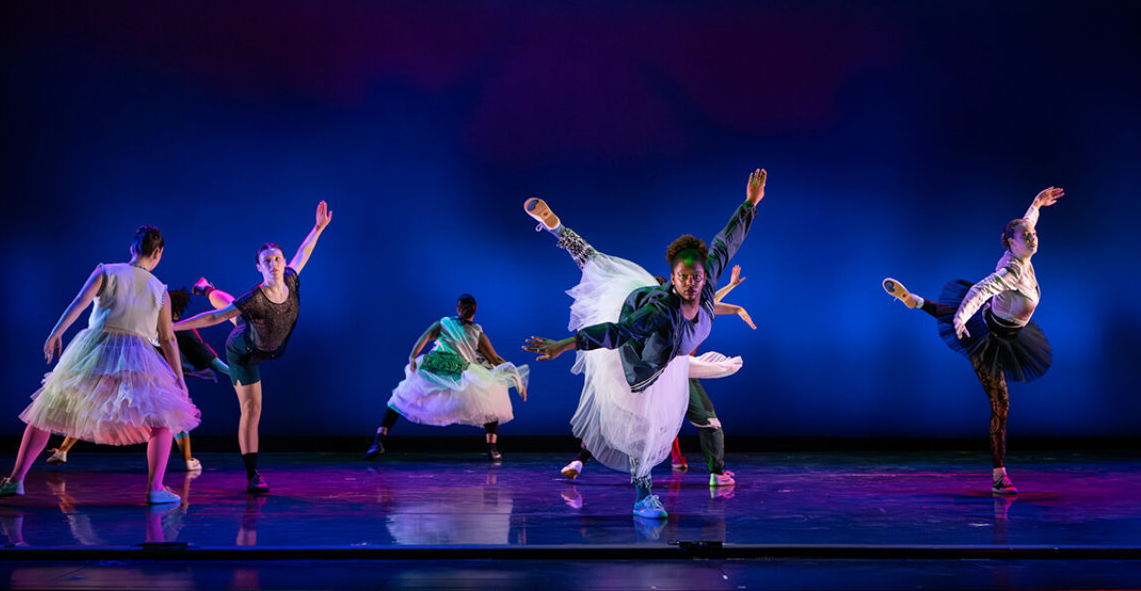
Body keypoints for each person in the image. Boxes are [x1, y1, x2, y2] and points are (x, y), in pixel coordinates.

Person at [523, 169, 766, 520]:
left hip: (669, 360)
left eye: (696, 277)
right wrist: (566, 344)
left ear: (704, 275)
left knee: (601, 267)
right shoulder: (660, 312)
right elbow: (618, 332)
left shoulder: (707, 280)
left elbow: (726, 242)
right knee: (599, 267)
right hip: (637, 359)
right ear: (673, 278)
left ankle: (558, 229)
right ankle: (644, 497)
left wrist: (750, 203)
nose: (692, 284)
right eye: (683, 278)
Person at [0, 226, 200, 504]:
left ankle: (15, 480)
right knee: (161, 418)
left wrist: (57, 331)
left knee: (48, 408)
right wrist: (179, 378)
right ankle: (155, 489)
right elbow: (167, 339)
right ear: (159, 253)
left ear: (132, 248)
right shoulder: (160, 291)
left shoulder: (107, 271)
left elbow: (80, 302)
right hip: (138, 359)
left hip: (96, 351)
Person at [882, 186, 1064, 496]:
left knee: (970, 316)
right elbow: (980, 291)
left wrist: (1037, 204)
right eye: (1026, 236)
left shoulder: (1022, 247)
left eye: (1033, 234)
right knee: (1001, 406)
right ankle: (998, 476)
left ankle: (916, 302)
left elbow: (1027, 221)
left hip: (1006, 327)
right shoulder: (1010, 270)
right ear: (1010, 243)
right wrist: (960, 319)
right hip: (989, 340)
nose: (1033, 238)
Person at [174, 200, 332, 493]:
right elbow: (213, 317)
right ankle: (253, 475)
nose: (273, 264)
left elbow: (304, 252)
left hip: (260, 335)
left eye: (277, 259)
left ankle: (206, 287)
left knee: (235, 312)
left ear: (283, 263)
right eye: (267, 261)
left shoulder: (291, 280)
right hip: (244, 351)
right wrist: (172, 327)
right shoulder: (255, 298)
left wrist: (318, 228)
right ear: (258, 267)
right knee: (252, 409)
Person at [562, 264, 755, 485]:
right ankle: (710, 472)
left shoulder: (669, 307)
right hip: (657, 373)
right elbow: (704, 304)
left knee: (635, 420)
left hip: (673, 371)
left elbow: (706, 303)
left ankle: (580, 461)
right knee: (635, 421)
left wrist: (732, 292)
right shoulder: (657, 312)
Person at [43, 287, 229, 470]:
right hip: (152, 379)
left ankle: (63, 450)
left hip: (128, 374)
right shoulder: (174, 328)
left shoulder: (147, 324)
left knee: (94, 406)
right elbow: (207, 356)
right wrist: (230, 371)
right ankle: (186, 462)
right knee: (172, 414)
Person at [362, 294, 529, 463]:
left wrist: (515, 377)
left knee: (490, 396)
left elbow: (495, 359)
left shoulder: (465, 328)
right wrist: (412, 356)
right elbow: (496, 359)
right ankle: (378, 441)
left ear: (461, 309)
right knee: (400, 397)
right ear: (469, 309)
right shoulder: (455, 326)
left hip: (447, 369)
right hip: (448, 369)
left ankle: (379, 440)